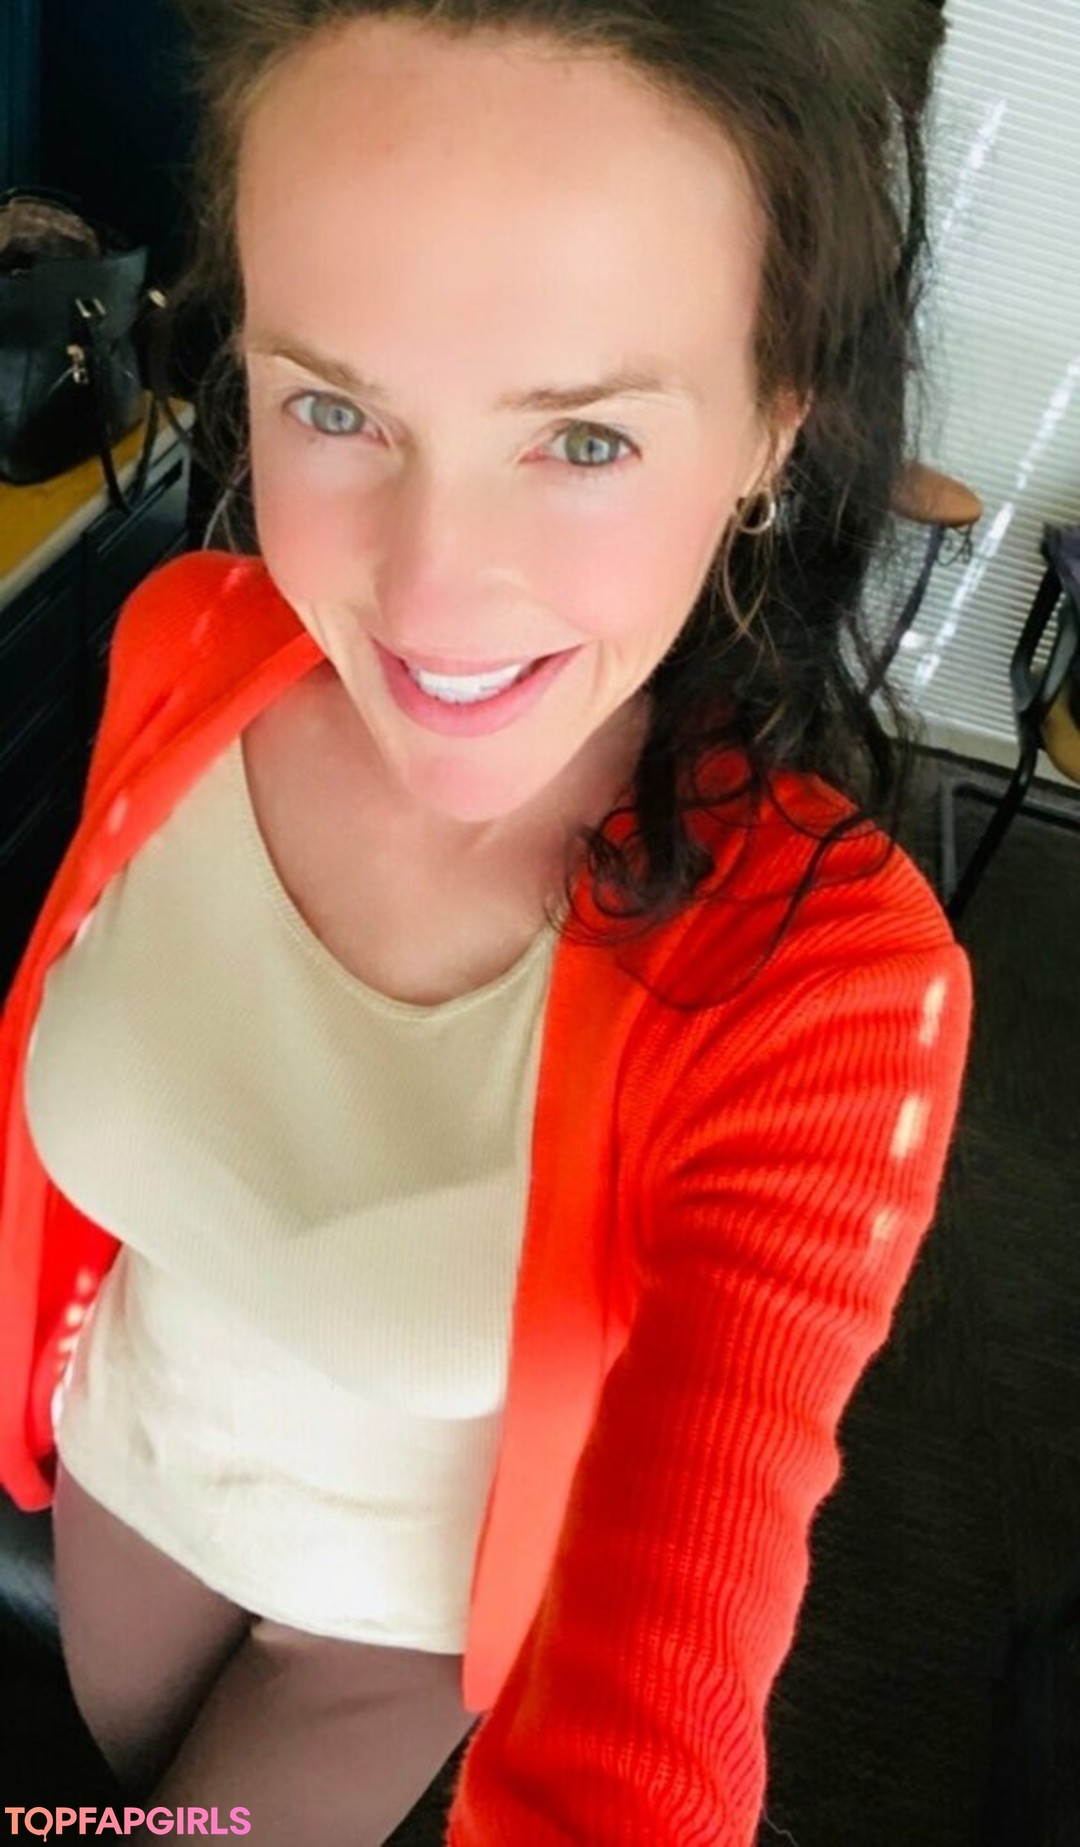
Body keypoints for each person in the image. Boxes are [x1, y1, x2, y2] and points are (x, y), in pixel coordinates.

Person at [0, 2, 972, 1841]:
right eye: (334, 407)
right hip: (115, 1491)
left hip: (382, 1643)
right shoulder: (186, 647)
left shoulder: (824, 980)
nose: (429, 594)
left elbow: (660, 1699)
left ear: (773, 425)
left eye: (584, 438)